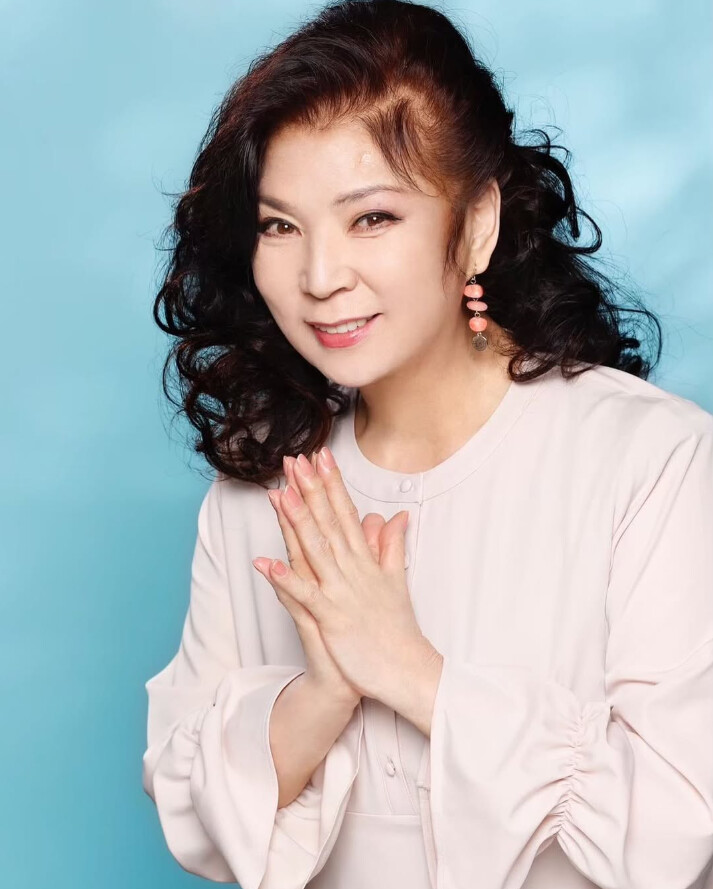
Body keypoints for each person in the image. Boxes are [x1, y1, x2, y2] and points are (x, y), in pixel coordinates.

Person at [141, 1, 713, 887]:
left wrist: (409, 669)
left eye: (370, 218)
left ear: (476, 224)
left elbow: (675, 829)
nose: (319, 276)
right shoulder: (261, 484)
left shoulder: (650, 460)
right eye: (279, 225)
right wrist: (324, 691)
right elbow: (193, 811)